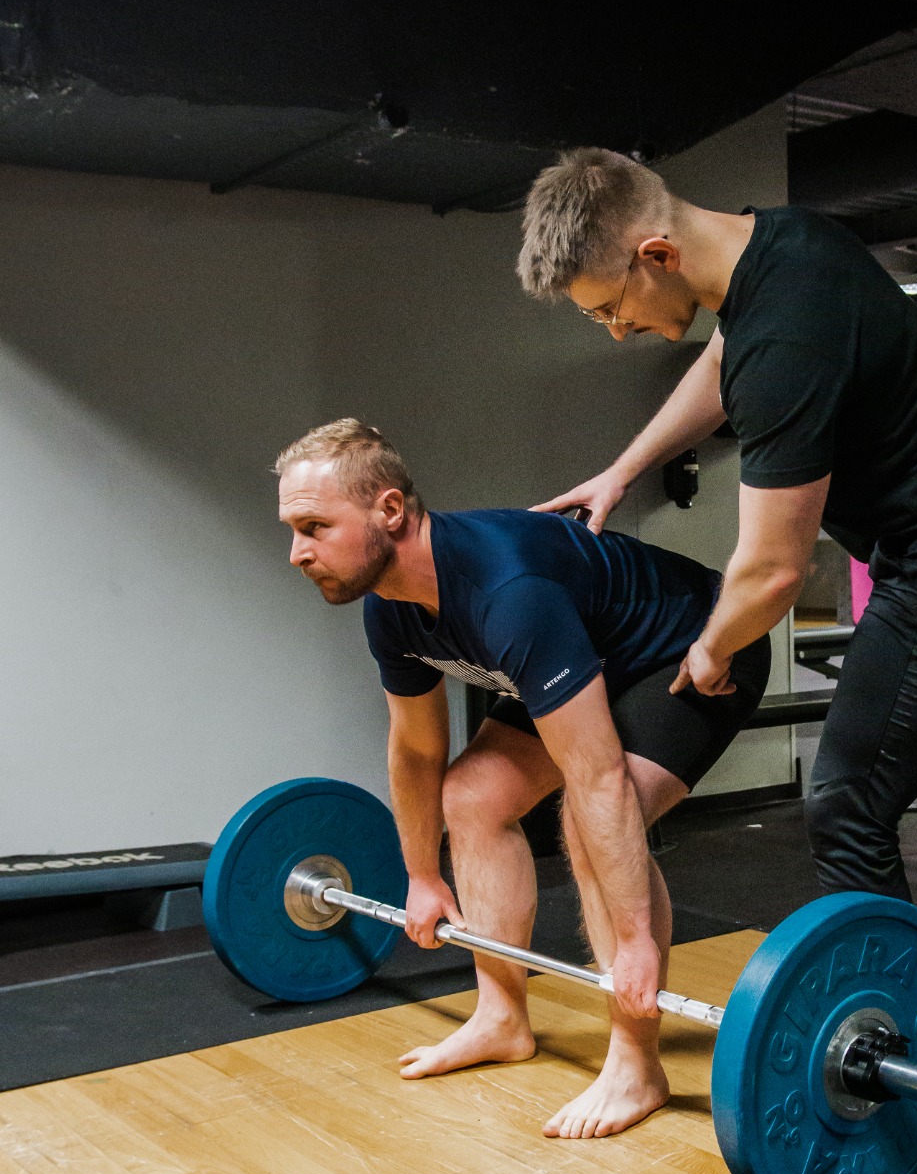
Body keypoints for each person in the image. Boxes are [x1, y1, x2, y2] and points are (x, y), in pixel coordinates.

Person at [519, 148, 917, 1103]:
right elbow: (721, 358)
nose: (616, 331)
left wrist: (712, 647)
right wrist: (626, 468)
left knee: (845, 801)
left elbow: (773, 569)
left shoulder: (782, 343)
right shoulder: (784, 242)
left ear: (653, 252)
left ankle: (913, 1065)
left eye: (608, 307)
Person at [275, 418, 770, 1137]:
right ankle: (501, 1018)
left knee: (593, 814)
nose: (297, 553)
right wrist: (420, 874)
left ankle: (636, 1064)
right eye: (293, 531)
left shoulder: (507, 589)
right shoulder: (391, 609)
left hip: (691, 647)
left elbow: (597, 776)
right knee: (470, 796)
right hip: (589, 652)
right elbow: (417, 750)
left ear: (389, 510)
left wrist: (634, 941)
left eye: (314, 526)